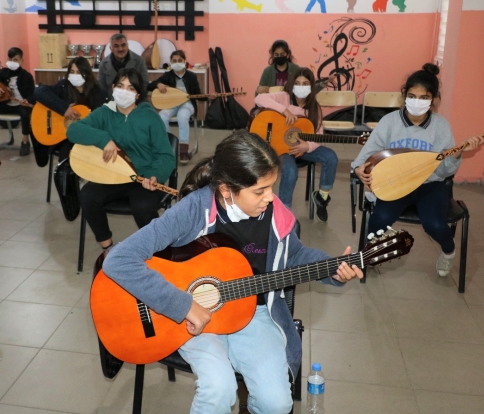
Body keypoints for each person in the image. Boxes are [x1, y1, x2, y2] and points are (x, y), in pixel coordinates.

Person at [102, 130, 363, 414]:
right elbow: (119, 260)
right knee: (219, 389)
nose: (270, 198)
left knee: (276, 404)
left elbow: (295, 255)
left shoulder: (276, 215)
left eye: (272, 187)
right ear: (226, 189)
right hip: (193, 320)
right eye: (260, 191)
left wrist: (333, 270)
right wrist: (183, 304)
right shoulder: (194, 209)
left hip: (254, 313)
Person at [352, 63, 484, 277]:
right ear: (404, 95)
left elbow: (443, 171)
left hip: (429, 185)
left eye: (424, 97)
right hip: (396, 184)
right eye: (412, 96)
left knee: (435, 224)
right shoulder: (389, 122)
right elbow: (367, 153)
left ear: (433, 99)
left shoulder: (441, 126)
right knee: (379, 219)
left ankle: (448, 253)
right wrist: (359, 169)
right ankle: (372, 253)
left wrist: (457, 154)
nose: (417, 102)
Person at [68, 68, 175, 253]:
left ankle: (157, 251)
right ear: (112, 87)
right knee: (87, 196)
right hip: (113, 175)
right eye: (120, 86)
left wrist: (155, 175)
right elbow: (73, 130)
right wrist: (103, 139)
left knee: (142, 206)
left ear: (138, 94)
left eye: (131, 88)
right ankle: (108, 249)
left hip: (144, 177)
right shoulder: (105, 112)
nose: (124, 91)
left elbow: (166, 156)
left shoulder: (151, 117)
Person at [255, 68, 338, 221]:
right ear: (292, 84)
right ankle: (284, 211)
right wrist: (284, 110)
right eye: (298, 83)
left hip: (303, 147)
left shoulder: (314, 108)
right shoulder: (284, 97)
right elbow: (260, 98)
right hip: (281, 148)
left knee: (331, 157)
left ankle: (322, 197)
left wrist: (308, 146)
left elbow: (319, 135)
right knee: (290, 170)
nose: (301, 87)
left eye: (305, 84)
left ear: (311, 87)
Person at [33, 56, 110, 163]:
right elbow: (39, 92)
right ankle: (65, 177)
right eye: (72, 71)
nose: (75, 75)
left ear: (86, 73)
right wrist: (64, 109)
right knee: (66, 155)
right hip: (66, 138)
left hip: (89, 135)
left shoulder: (99, 93)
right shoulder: (63, 87)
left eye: (79, 72)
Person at [149, 50, 204, 164]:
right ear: (170, 62)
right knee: (162, 116)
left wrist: (209, 97)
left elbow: (198, 94)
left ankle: (183, 151)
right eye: (174, 61)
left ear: (185, 61)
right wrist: (158, 84)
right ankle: (169, 147)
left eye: (180, 60)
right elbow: (150, 85)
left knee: (182, 116)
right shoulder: (167, 75)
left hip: (187, 104)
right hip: (171, 104)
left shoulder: (191, 76)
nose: (177, 63)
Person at [0, 47, 35, 156]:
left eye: (16, 60)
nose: (13, 62)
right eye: (11, 59)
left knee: (24, 113)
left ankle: (25, 141)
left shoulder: (27, 76)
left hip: (20, 106)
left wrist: (27, 100)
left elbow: (33, 95)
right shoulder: (3, 73)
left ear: (21, 61)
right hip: (5, 105)